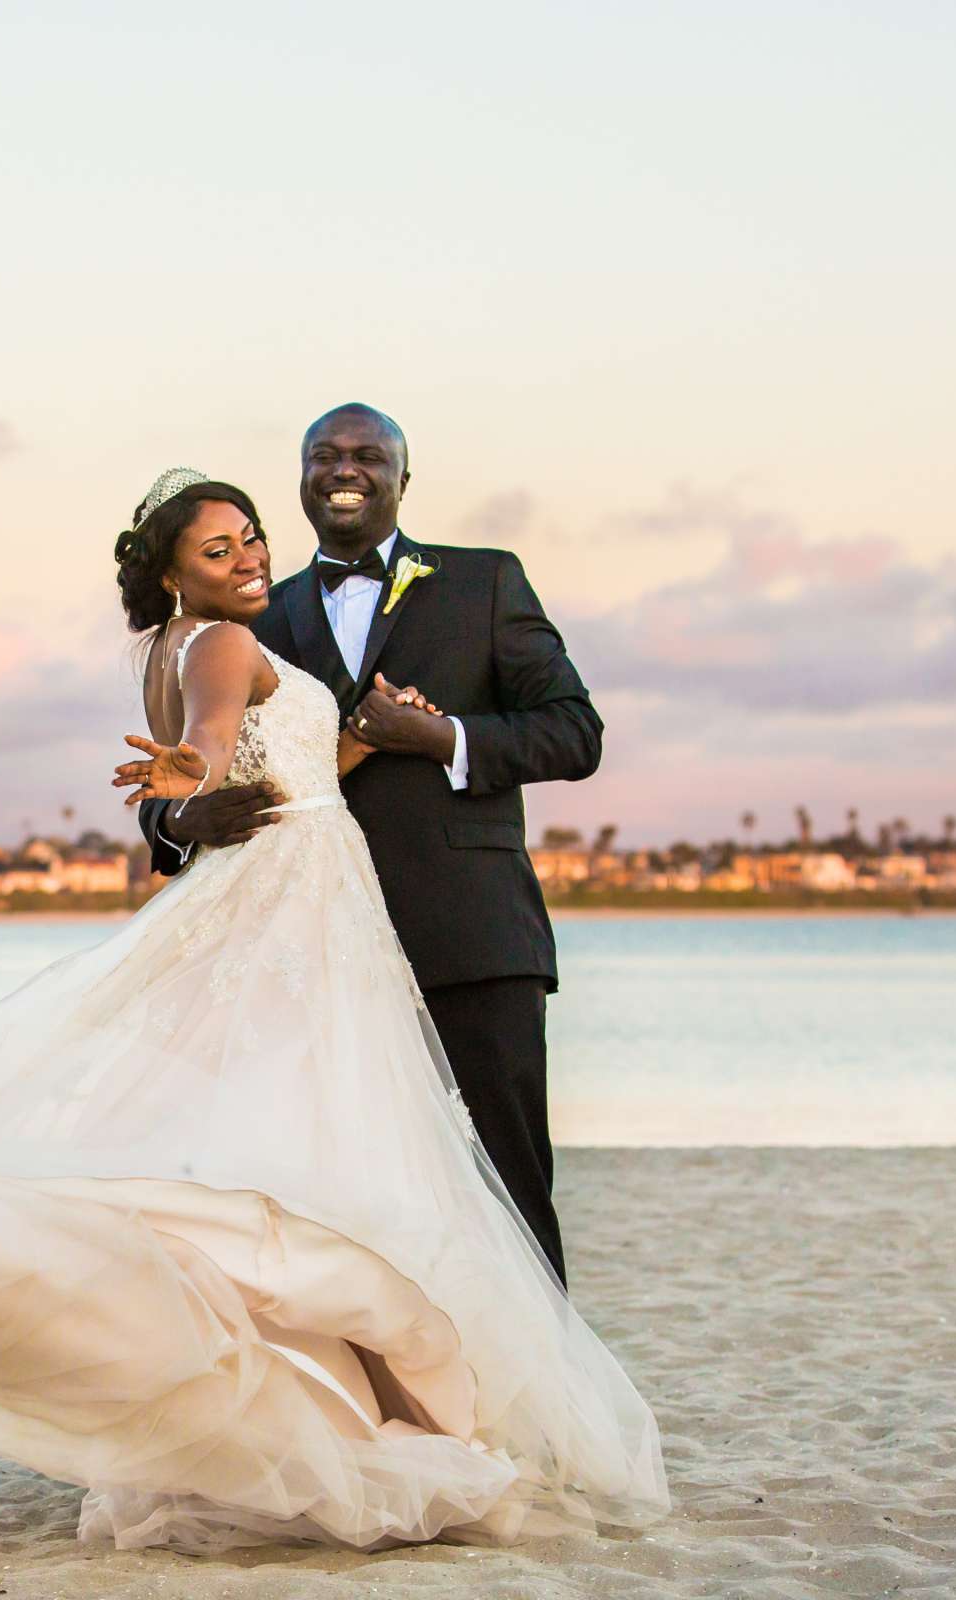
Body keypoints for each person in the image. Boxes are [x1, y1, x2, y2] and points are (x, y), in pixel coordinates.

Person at [0, 468, 667, 1553]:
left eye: (250, 538)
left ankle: (348, 1404)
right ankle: (386, 1406)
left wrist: (373, 737)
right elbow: (204, 743)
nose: (249, 557)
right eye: (220, 549)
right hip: (298, 904)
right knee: (340, 1146)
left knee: (288, 1146)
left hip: (293, 885)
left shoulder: (177, 645)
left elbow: (280, 762)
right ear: (169, 573)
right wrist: (185, 787)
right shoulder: (223, 645)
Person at [139, 404, 599, 1285]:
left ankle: (538, 1409)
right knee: (332, 1195)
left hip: (469, 938)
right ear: (304, 479)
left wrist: (439, 737)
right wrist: (180, 821)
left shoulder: (486, 582)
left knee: (505, 1186)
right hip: (304, 956)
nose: (344, 468)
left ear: (402, 476)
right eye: (324, 455)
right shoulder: (244, 613)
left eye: (366, 455)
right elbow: (176, 775)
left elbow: (575, 733)